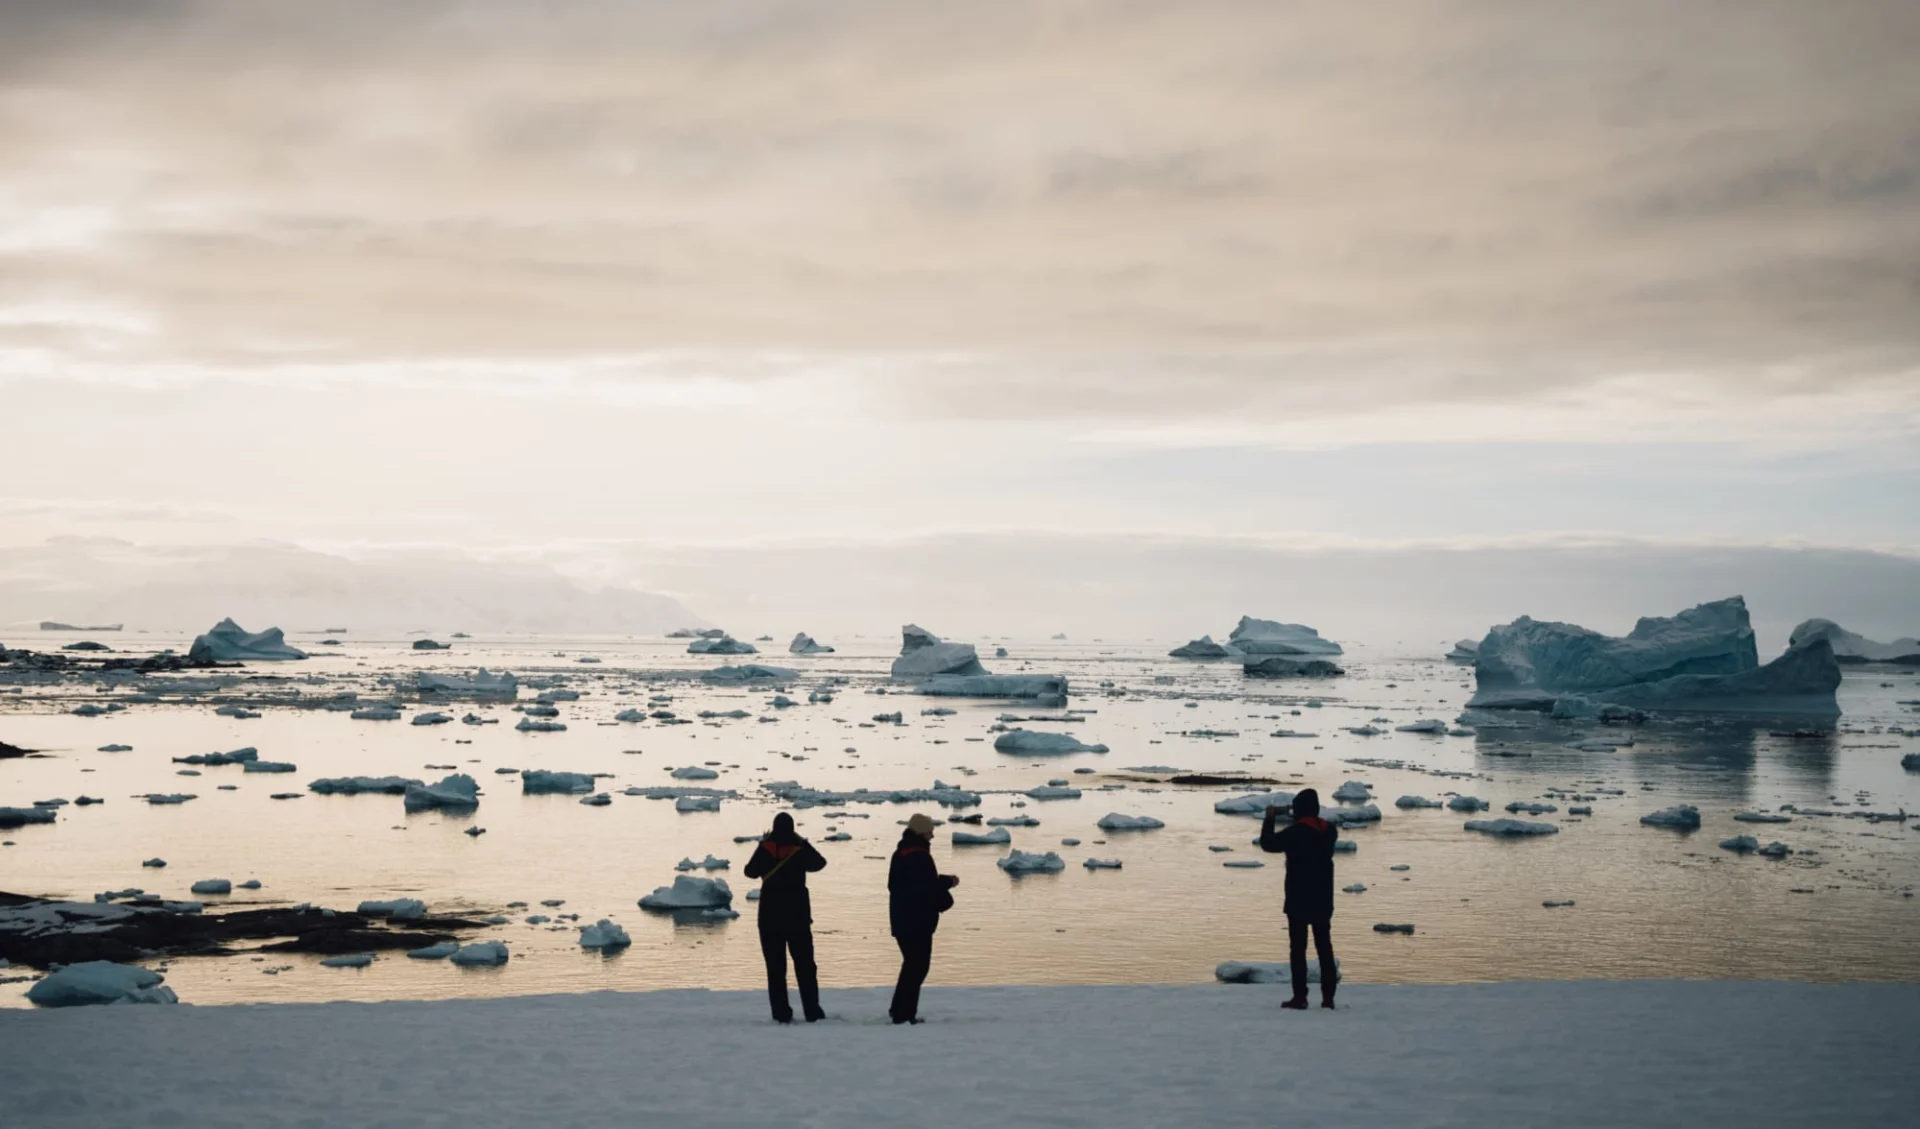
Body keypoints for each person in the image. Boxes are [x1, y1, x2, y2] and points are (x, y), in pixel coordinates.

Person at [743, 811, 828, 1023]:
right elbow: (819, 863)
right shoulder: (799, 849)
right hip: (797, 917)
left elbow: (750, 872)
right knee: (805, 966)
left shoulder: (765, 848)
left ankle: (781, 1013)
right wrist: (802, 842)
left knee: (775, 969)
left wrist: (763, 844)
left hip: (769, 918)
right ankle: (812, 1011)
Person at [1259, 788, 1339, 1010]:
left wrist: (1270, 818)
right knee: (1324, 947)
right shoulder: (1330, 831)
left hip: (1298, 898)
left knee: (1298, 949)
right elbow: (1311, 828)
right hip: (1323, 897)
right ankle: (1328, 997)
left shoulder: (1295, 833)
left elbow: (1268, 843)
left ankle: (1300, 997)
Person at [887, 812, 959, 1024]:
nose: (932, 835)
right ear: (921, 832)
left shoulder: (900, 853)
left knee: (912, 965)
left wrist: (942, 882)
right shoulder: (920, 856)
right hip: (918, 921)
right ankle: (903, 1014)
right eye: (930, 831)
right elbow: (927, 887)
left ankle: (900, 1010)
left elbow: (902, 885)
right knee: (918, 967)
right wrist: (948, 887)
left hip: (901, 919)